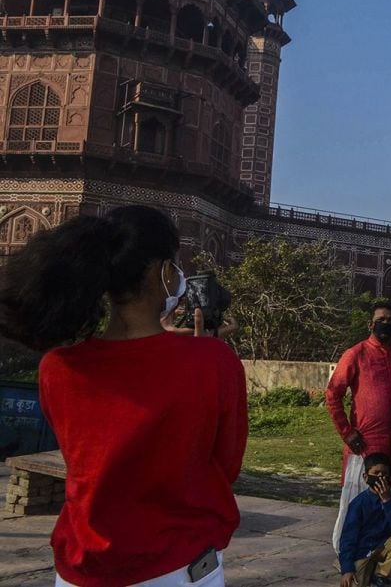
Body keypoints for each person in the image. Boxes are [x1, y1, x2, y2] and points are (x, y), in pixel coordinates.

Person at [0, 205, 247, 587]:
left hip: (80, 567)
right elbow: (224, 465)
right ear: (165, 273)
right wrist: (203, 352)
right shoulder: (213, 362)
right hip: (174, 567)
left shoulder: (59, 367)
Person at [327, 300, 391, 554]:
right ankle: (348, 557)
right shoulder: (356, 353)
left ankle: (381, 556)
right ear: (370, 324)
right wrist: (346, 431)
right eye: (381, 319)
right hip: (362, 444)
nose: (386, 324)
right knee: (357, 502)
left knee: (389, 501)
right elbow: (333, 394)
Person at [339, 453, 391, 587]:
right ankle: (365, 572)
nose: (380, 477)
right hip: (364, 552)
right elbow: (348, 538)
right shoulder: (359, 503)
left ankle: (382, 574)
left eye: (384, 474)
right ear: (366, 477)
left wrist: (387, 501)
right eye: (376, 473)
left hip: (385, 550)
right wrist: (347, 569)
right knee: (355, 582)